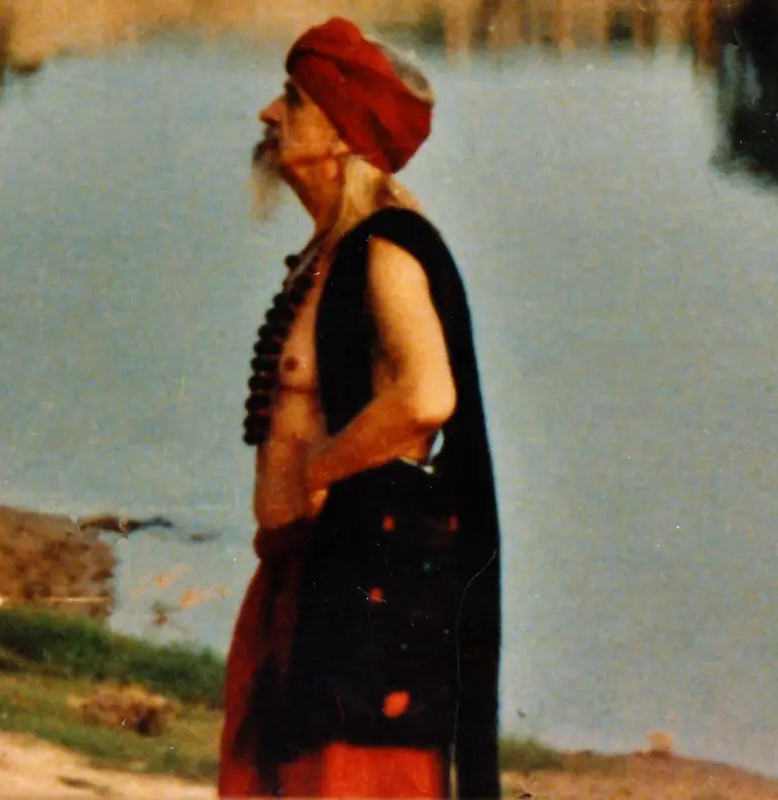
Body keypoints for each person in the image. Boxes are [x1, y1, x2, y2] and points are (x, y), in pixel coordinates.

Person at [220, 17, 503, 799]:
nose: (269, 117)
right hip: (300, 583)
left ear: (343, 133)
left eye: (293, 100)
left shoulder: (386, 250)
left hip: (362, 603)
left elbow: (426, 396)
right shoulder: (326, 253)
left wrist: (319, 468)